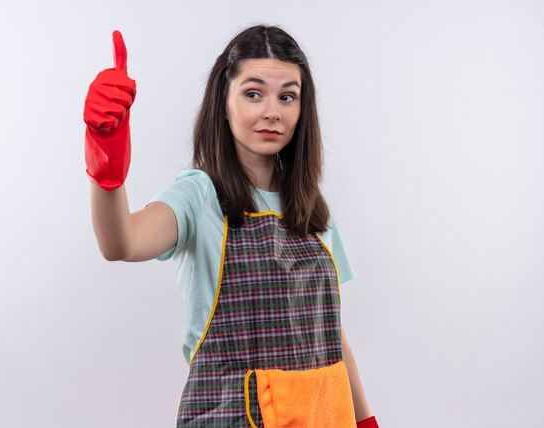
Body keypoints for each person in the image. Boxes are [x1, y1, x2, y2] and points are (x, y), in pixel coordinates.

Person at [83, 25, 379, 428]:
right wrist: (106, 163)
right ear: (224, 102)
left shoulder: (312, 209)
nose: (272, 111)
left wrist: (364, 420)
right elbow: (121, 242)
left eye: (287, 96)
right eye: (253, 93)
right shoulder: (199, 195)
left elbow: (330, 334)